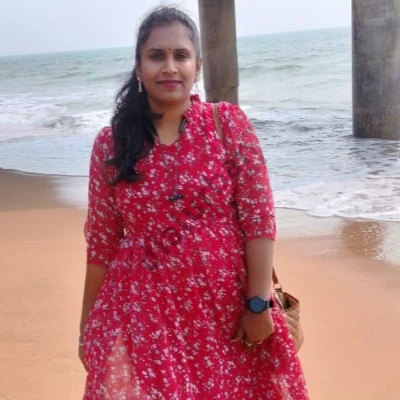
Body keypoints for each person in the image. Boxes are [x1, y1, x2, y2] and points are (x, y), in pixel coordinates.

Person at [79, 6, 309, 399]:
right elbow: (101, 244)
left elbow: (258, 220)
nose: (169, 67)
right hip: (145, 315)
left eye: (181, 55)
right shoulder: (111, 145)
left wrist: (257, 305)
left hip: (227, 311)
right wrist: (88, 327)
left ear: (197, 66)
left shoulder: (227, 125)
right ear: (139, 68)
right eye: (156, 56)